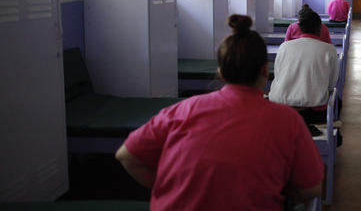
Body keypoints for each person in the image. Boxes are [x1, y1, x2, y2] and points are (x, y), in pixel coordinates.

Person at [115, 15, 323, 210]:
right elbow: (312, 188)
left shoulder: (183, 109)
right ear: (264, 71)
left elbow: (127, 155)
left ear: (221, 72)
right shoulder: (286, 120)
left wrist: (167, 188)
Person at [270, 9, 339, 124]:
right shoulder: (329, 50)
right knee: (337, 102)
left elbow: (278, 75)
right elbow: (331, 84)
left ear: (300, 28)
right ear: (320, 28)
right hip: (314, 110)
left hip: (281, 108)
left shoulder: (284, 46)